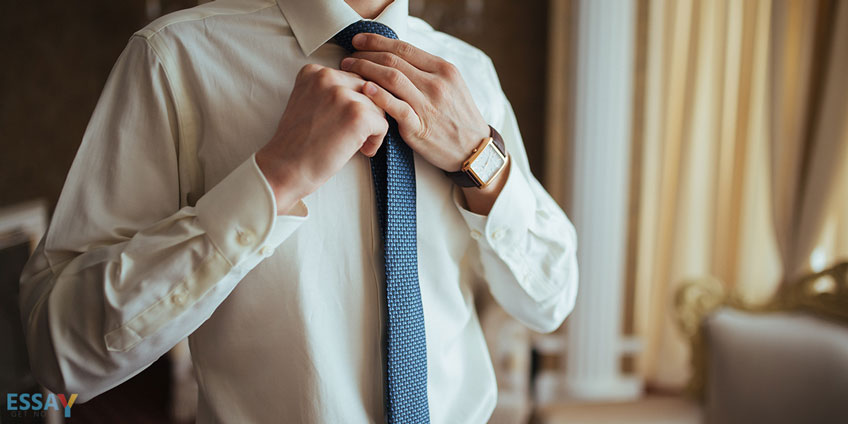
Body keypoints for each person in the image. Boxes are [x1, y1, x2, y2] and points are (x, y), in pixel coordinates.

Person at [19, 0, 578, 422]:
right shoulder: (176, 58)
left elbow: (550, 300)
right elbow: (58, 351)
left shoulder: (468, 73)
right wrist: (276, 176)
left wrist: (481, 156)